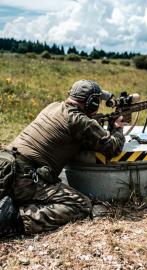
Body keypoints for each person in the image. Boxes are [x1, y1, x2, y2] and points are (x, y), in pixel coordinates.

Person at [0, 79, 138, 237]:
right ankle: (12, 220)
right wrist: (117, 129)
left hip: (5, 165)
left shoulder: (52, 106)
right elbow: (112, 148)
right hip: (24, 177)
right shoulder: (80, 121)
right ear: (91, 103)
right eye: (97, 102)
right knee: (80, 205)